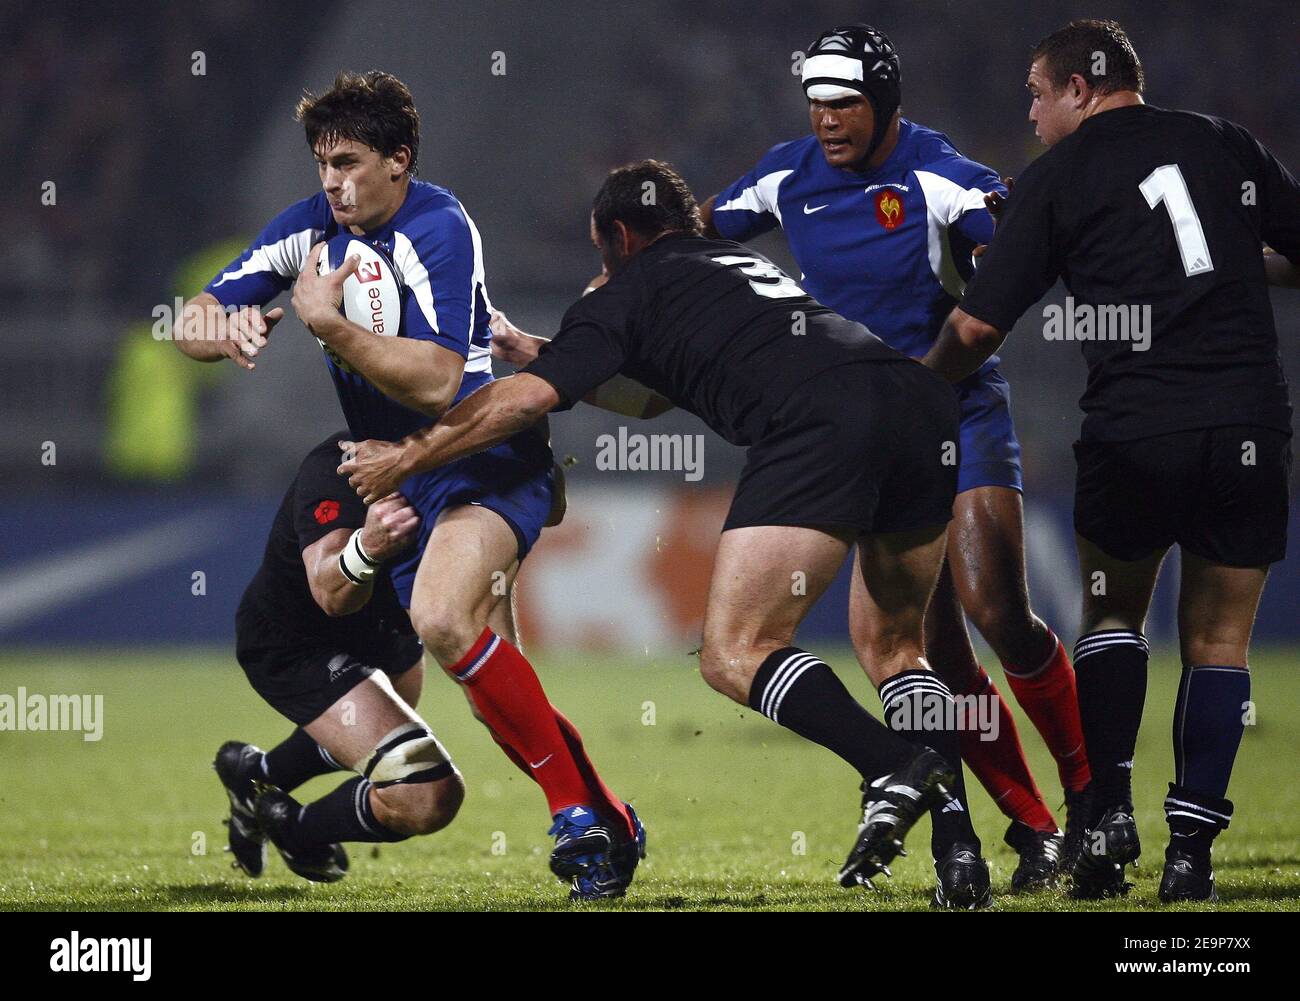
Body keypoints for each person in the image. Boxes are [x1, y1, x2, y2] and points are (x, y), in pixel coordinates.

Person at [341, 159, 995, 908]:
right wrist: (541, 351)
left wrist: (413, 453)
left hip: (819, 418)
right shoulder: (733, 263)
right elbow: (651, 399)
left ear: (617, 238)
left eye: (600, 252)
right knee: (898, 648)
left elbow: (521, 405)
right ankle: (960, 852)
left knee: (734, 651)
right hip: (915, 398)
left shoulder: (623, 292)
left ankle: (890, 763)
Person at [173, 70, 642, 900]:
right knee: (488, 680)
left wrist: (326, 323)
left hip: (480, 455)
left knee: (440, 618)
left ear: (400, 159)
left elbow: (433, 381)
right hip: (400, 473)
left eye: (348, 161)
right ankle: (609, 818)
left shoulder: (439, 225)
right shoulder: (313, 227)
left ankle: (576, 820)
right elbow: (193, 316)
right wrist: (225, 325)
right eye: (322, 162)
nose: (331, 181)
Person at [699, 22, 1090, 888]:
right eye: (816, 104)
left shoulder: (934, 169)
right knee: (933, 653)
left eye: (845, 103)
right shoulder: (784, 174)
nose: (828, 120)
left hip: (960, 407)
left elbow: (1007, 225)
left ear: (884, 102)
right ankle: (1035, 828)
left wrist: (998, 244)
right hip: (868, 431)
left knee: (1000, 611)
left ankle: (1093, 800)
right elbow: (692, 240)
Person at [922, 19, 1298, 902]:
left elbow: (977, 327)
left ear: (1079, 90)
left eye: (1036, 91)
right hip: (1248, 424)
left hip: (1136, 429)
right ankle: (1192, 856)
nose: (1030, 109)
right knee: (1218, 643)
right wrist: (1241, 267)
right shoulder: (1224, 142)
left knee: (1113, 618)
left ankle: (1111, 815)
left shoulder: (1059, 177)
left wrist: (911, 389)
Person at [215, 433, 461, 883]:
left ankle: (255, 778)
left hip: (389, 633)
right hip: (296, 643)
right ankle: (300, 830)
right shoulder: (340, 465)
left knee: (381, 739)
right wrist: (367, 547)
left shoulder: (465, 448)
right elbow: (332, 594)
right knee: (423, 793)